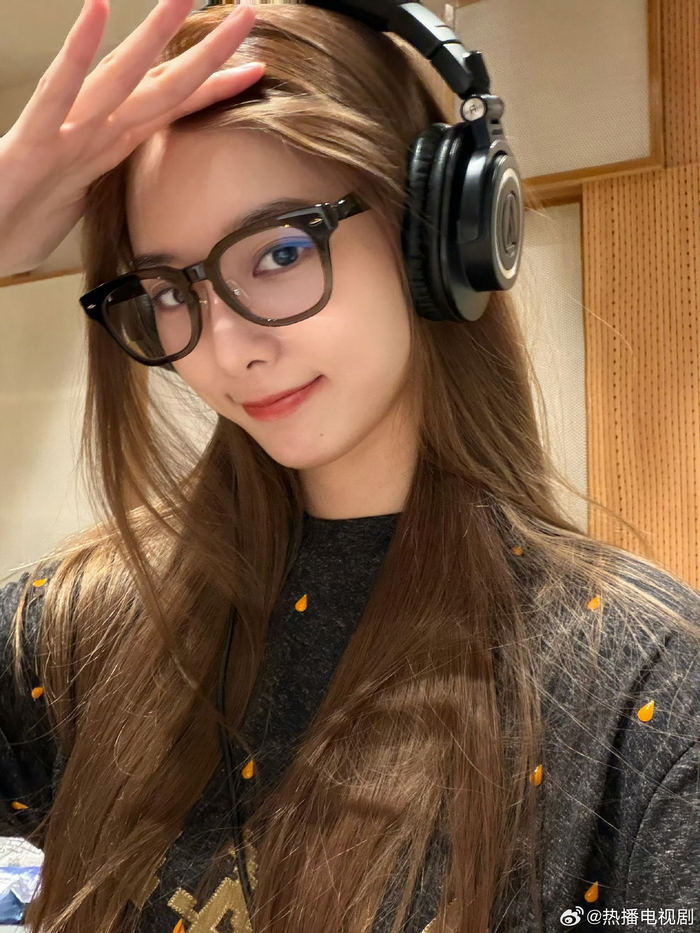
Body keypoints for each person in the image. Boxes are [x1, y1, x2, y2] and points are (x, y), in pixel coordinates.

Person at [0, 1, 698, 932]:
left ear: (433, 234)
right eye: (170, 291)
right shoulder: (81, 630)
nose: (226, 348)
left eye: (281, 252)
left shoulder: (641, 687)